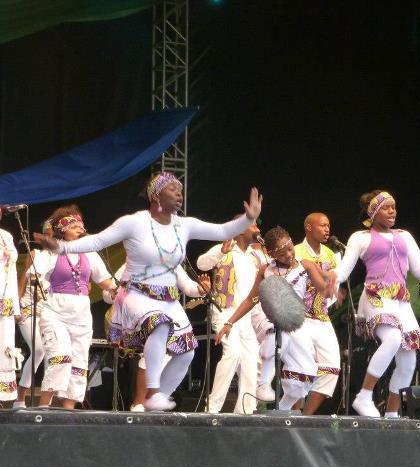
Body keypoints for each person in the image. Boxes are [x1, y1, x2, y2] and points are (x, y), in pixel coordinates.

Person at [35, 172, 262, 411]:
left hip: (167, 298)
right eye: (173, 189)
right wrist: (61, 247)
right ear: (156, 196)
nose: (179, 194)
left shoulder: (184, 225)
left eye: (181, 190)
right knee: (160, 324)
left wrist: (249, 218)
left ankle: (158, 396)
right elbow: (97, 242)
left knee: (187, 351)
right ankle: (152, 392)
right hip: (136, 294)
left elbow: (222, 231)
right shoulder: (134, 223)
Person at [335, 190, 420, 418]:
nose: (392, 211)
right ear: (373, 213)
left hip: (400, 301)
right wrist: (330, 279)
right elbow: (343, 271)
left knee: (408, 359)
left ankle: (392, 414)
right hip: (376, 295)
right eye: (386, 207)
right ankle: (364, 396)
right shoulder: (360, 237)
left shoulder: (405, 236)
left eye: (394, 207)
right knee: (392, 339)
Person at [215, 226, 336, 411]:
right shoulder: (266, 270)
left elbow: (324, 291)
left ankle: (283, 410)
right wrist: (229, 322)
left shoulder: (305, 265)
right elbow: (251, 299)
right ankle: (263, 383)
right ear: (271, 254)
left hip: (296, 323)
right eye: (282, 253)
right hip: (269, 319)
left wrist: (331, 285)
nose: (289, 254)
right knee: (278, 332)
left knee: (305, 375)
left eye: (290, 248)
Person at [37, 206, 116, 409]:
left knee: (79, 364)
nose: (81, 229)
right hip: (55, 311)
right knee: (60, 358)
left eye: (82, 226)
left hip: (81, 313)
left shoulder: (90, 252)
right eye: (74, 226)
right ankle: (42, 409)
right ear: (63, 230)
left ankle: (68, 413)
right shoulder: (53, 251)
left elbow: (105, 281)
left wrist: (119, 291)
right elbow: (34, 276)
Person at [103, 262, 210, 411]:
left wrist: (201, 289)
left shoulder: (171, 259)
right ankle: (138, 404)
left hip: (168, 307)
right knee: (154, 345)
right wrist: (114, 292)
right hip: (143, 307)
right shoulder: (136, 258)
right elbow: (107, 293)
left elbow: (189, 288)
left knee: (187, 352)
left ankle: (156, 401)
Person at [197, 220, 267, 414]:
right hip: (223, 311)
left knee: (251, 358)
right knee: (233, 352)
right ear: (242, 229)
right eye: (253, 226)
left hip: (244, 316)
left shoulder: (255, 256)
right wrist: (220, 252)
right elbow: (201, 263)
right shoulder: (226, 248)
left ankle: (246, 409)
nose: (258, 229)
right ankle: (213, 407)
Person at [294, 212, 341, 415]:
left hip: (322, 318)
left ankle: (305, 418)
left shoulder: (330, 255)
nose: (327, 229)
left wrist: (333, 291)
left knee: (332, 367)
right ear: (309, 227)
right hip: (299, 318)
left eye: (328, 225)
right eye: (322, 225)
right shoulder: (295, 252)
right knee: (298, 368)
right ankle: (293, 414)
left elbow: (332, 291)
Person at [14, 219, 53, 408]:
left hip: (49, 313)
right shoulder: (34, 253)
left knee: (51, 354)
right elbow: (22, 279)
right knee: (38, 350)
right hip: (28, 309)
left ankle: (47, 403)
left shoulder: (63, 257)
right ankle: (20, 398)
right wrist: (16, 306)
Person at [0, 207, 20, 404]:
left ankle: (2, 397)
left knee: (3, 346)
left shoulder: (6, 236)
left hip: (3, 298)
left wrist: (15, 304)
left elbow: (12, 271)